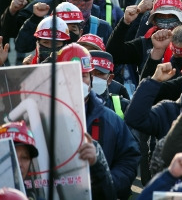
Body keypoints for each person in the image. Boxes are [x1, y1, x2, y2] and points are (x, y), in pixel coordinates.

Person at [57, 43, 140, 199]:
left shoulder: (111, 120)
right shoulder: (41, 116)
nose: (77, 81)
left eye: (83, 75)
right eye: (70, 74)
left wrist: (108, 182)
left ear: (90, 79)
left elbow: (129, 160)